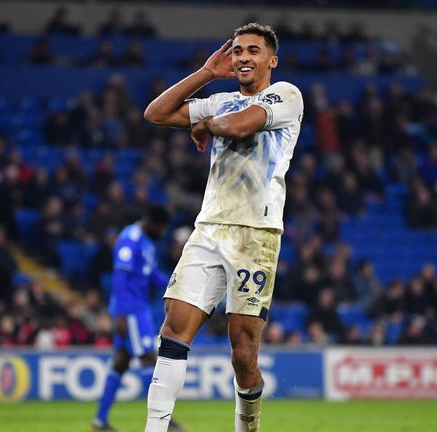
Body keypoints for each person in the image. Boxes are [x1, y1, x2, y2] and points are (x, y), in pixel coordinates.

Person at [142, 23, 303, 432]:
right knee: (174, 330)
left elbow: (238, 126)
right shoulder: (221, 97)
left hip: (256, 236)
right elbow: (155, 113)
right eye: (236, 51)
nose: (243, 57)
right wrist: (205, 75)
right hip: (209, 228)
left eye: (252, 50)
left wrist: (204, 123)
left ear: (272, 60)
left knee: (243, 352)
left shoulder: (286, 95)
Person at [91, 204, 183, 432]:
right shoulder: (130, 240)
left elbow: (150, 274)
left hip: (136, 307)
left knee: (121, 362)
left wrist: (174, 285)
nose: (163, 233)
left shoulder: (144, 242)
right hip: (131, 310)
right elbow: (120, 278)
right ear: (151, 222)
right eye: (161, 228)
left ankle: (100, 422)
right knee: (148, 359)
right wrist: (121, 314)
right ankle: (163, 420)